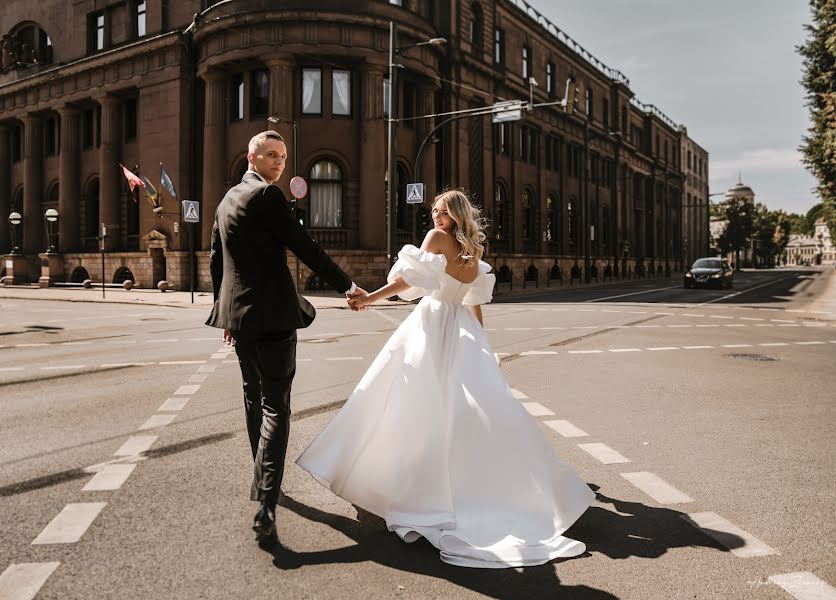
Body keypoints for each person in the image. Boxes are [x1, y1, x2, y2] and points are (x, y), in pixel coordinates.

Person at [297, 189, 595, 568]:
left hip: (432, 323)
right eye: (433, 212)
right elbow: (472, 302)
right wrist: (483, 344)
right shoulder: (474, 248)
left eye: (440, 212)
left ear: (454, 214)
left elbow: (408, 282)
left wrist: (370, 297)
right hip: (461, 329)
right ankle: (462, 485)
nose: (434, 218)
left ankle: (410, 488)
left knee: (402, 402)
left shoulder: (437, 240)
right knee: (457, 410)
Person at [206, 130, 363, 547]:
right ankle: (266, 505)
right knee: (277, 408)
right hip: (273, 317)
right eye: (272, 155)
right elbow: (304, 246)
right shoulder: (267, 197)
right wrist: (347, 287)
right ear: (252, 157)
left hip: (240, 318)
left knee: (252, 398)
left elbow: (216, 261)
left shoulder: (225, 201)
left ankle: (262, 480)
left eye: (283, 156)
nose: (279, 162)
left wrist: (224, 313)